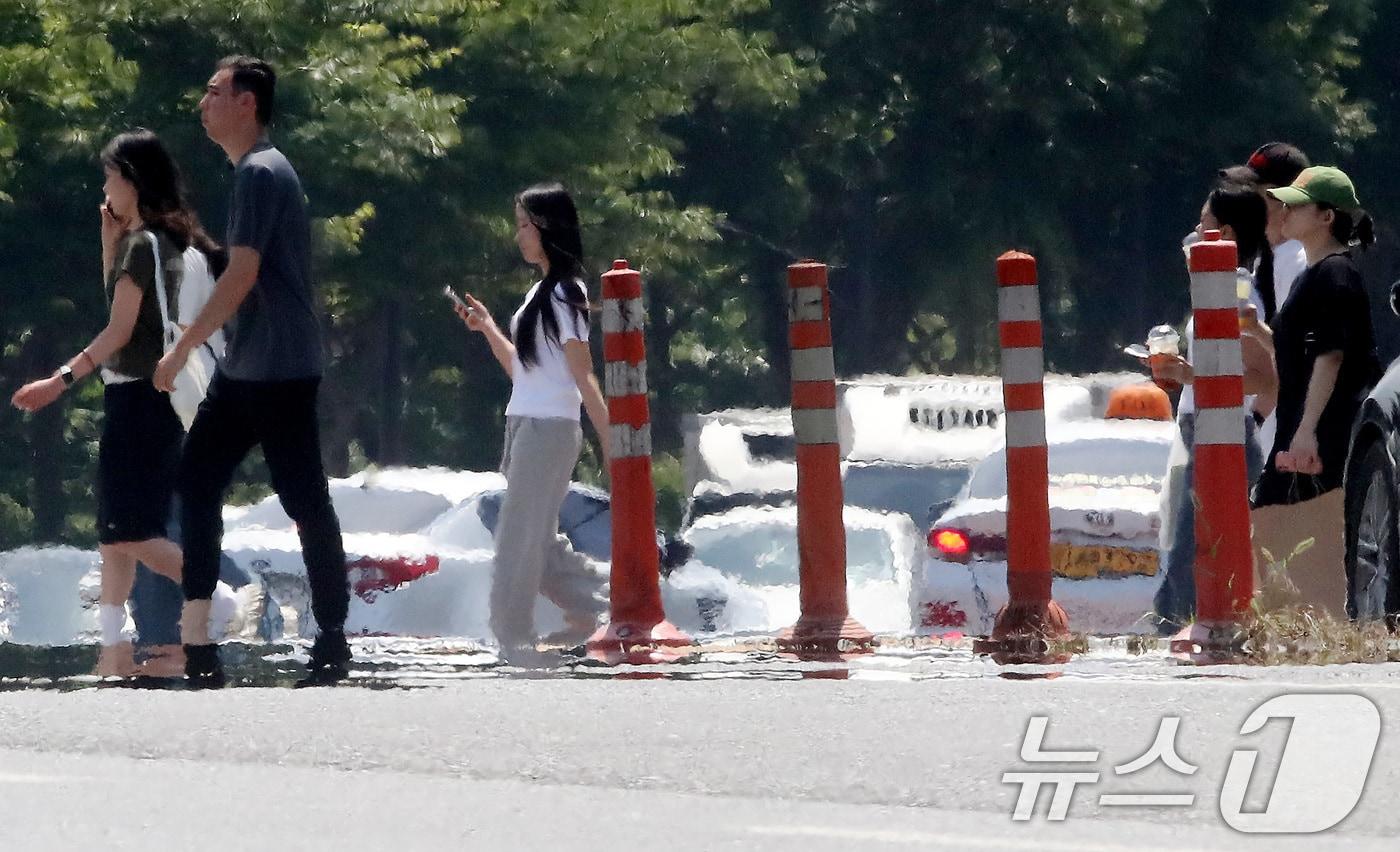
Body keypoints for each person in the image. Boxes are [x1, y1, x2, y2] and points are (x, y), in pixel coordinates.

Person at [153, 56, 350, 688]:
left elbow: (242, 275)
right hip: (247, 370)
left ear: (247, 104)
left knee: (304, 499)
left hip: (282, 368)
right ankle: (197, 631)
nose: (203, 104)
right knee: (198, 477)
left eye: (213, 93)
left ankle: (332, 635)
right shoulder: (252, 175)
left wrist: (183, 349)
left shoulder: (261, 173)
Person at [10, 129, 220, 677]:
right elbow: (134, 314)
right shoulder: (172, 242)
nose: (104, 186)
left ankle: (213, 593)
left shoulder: (142, 245)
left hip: (137, 396)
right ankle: (112, 643)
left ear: (131, 180)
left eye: (110, 175)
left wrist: (59, 380)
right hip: (160, 398)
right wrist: (110, 245)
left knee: (128, 529)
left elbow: (120, 331)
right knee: (117, 530)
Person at [454, 183, 610, 660]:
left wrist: (612, 441)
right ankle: (602, 609)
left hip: (548, 430)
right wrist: (487, 330)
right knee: (536, 541)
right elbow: (524, 372)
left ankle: (512, 638)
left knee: (517, 540)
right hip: (525, 423)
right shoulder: (541, 292)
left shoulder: (567, 291)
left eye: (525, 224)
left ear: (547, 228)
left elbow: (583, 375)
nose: (519, 234)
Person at [1150, 182, 1277, 631]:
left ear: (1222, 233)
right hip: (1196, 429)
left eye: (1202, 221)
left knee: (1193, 548)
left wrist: (1192, 378)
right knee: (1183, 542)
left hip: (1222, 433)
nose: (1193, 230)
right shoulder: (1211, 294)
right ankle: (1180, 627)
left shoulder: (1242, 300)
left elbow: (1266, 379)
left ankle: (1188, 630)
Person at [1253, 166, 1380, 506]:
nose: (1285, 211)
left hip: (1322, 440)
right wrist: (1254, 330)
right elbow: (1294, 355)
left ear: (1326, 216)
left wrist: (1307, 430)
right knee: (1275, 541)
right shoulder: (1310, 276)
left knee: (1296, 544)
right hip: (1296, 434)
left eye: (1296, 206)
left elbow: (1330, 357)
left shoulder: (1336, 274)